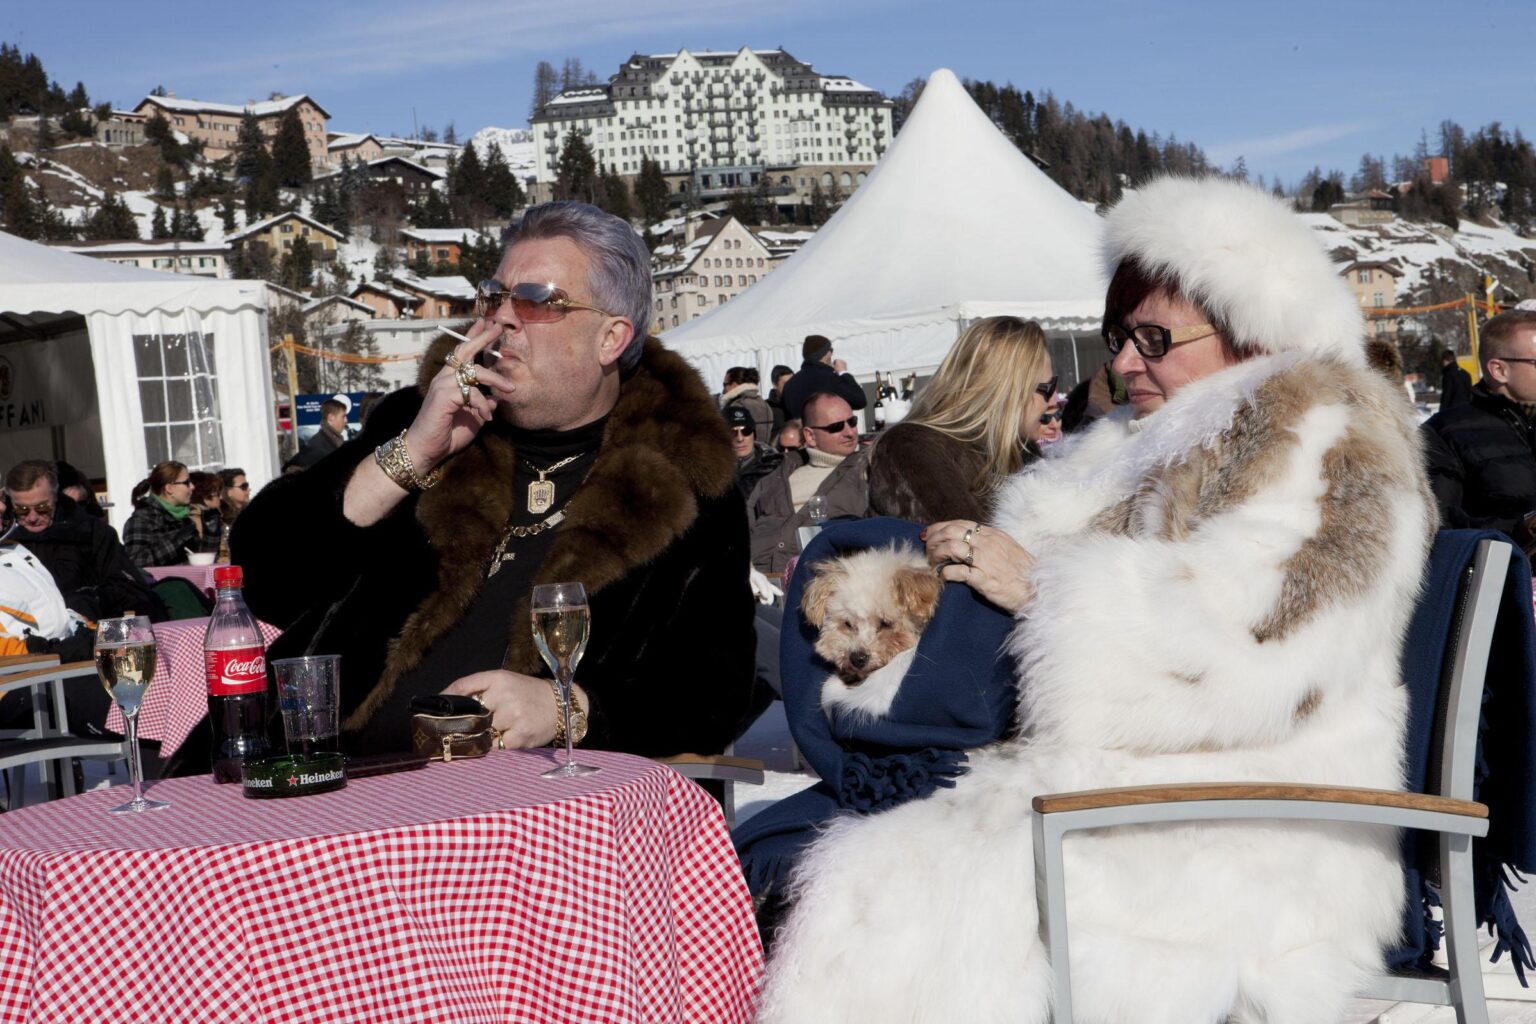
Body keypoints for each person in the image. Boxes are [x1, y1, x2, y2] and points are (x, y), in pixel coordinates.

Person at [756, 177, 1435, 1024]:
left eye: (1153, 337)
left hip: (1245, 819)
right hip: (1123, 785)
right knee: (796, 851)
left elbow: (1254, 651)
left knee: (888, 887)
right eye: (1120, 336)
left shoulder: (1324, 431)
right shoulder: (1134, 445)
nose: (1120, 363)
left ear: (1250, 328)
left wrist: (1038, 589)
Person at [230, 200, 755, 761]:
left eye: (535, 301)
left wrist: (568, 709)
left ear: (612, 338)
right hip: (321, 776)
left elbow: (713, 694)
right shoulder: (421, 421)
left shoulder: (685, 480)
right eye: (494, 296)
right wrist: (410, 455)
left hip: (528, 818)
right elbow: (266, 578)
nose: (502, 318)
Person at [866, 316, 1054, 524]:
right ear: (1008, 393)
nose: (1053, 401)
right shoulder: (911, 449)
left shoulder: (1021, 452)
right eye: (1047, 388)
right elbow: (967, 546)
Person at [1423, 309, 1536, 549]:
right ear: (1499, 370)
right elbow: (1439, 527)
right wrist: (1521, 529)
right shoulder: (1444, 434)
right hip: (1508, 578)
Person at [2, 459, 160, 622]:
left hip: (92, 630)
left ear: (55, 497)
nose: (33, 517)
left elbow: (133, 589)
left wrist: (91, 598)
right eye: (22, 510)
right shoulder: (7, 543)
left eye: (42, 507)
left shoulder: (92, 533)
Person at [747, 391, 869, 574]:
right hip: (760, 583)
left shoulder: (869, 470)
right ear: (810, 436)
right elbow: (743, 523)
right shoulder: (778, 475)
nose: (850, 432)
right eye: (836, 427)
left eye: (852, 422)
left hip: (822, 583)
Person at [123, 461, 214, 568]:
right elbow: (136, 563)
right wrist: (178, 541)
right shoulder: (142, 520)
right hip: (161, 584)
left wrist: (212, 532)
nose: (192, 486)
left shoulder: (186, 516)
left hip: (189, 582)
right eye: (187, 482)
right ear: (169, 488)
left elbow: (202, 559)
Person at [779, 335, 866, 422]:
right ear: (826, 353)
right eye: (830, 350)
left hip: (801, 433)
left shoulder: (789, 385)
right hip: (826, 432)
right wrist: (844, 372)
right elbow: (859, 400)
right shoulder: (830, 379)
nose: (832, 353)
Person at [727, 404, 783, 499]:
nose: (740, 438)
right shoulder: (713, 472)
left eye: (746, 431)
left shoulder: (774, 466)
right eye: (733, 432)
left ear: (754, 434)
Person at [286, 398, 349, 471]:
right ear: (331, 418)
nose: (346, 420)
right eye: (343, 416)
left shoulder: (334, 441)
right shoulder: (317, 445)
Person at [721, 366, 774, 443]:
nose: (723, 390)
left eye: (725, 384)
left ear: (734, 384)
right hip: (763, 450)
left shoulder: (737, 405)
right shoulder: (764, 404)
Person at [188, 471, 225, 559]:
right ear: (203, 494)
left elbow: (223, 549)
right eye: (217, 493)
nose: (221, 497)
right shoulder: (190, 514)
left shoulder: (215, 514)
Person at [767, 363, 794, 434]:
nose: (790, 386)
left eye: (792, 382)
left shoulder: (798, 403)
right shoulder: (767, 408)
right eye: (786, 383)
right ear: (775, 385)